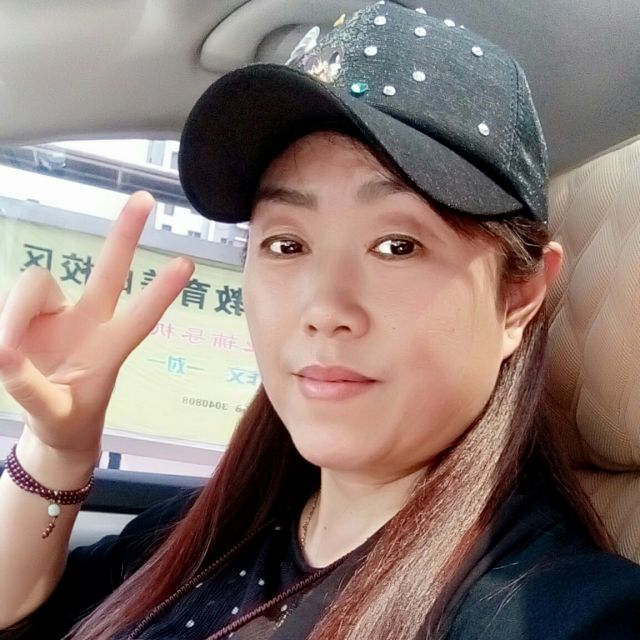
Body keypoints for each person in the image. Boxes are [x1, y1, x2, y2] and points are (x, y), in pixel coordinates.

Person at [1, 2, 640, 639]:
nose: (324, 310)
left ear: (518, 298)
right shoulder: (200, 532)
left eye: (397, 246)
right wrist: (58, 451)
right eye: (287, 244)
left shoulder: (565, 614)